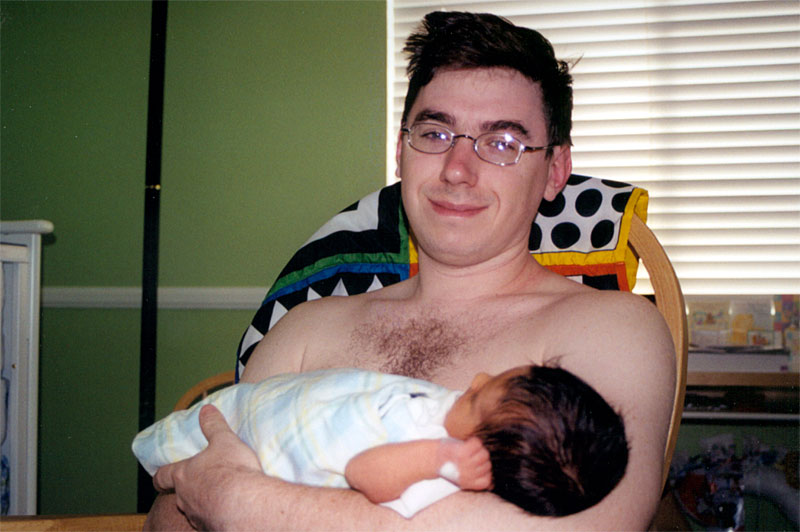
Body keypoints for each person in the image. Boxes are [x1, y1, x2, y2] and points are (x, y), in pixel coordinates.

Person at [147, 11, 675, 530]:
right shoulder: (306, 327)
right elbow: (172, 510)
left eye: (502, 143)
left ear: (555, 170)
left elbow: (584, 526)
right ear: (401, 152)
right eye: (435, 133)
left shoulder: (612, 328)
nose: (457, 170)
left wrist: (242, 502)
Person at [134, 365, 628, 518]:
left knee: (184, 440)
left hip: (269, 450)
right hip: (262, 410)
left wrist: (438, 457)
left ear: (480, 456)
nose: (476, 378)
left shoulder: (440, 472)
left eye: (479, 395)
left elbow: (363, 472)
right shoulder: (450, 415)